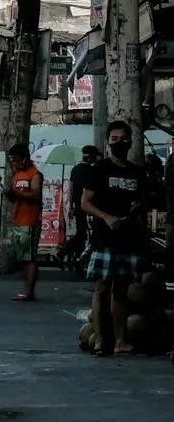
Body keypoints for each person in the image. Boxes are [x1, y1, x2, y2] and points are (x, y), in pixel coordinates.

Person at [81, 121, 156, 355]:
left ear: (131, 141)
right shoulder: (99, 169)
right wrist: (107, 217)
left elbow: (142, 207)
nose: (119, 143)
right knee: (101, 289)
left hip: (129, 240)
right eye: (114, 139)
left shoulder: (137, 172)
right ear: (108, 142)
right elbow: (85, 202)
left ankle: (120, 341)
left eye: (123, 139)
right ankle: (102, 340)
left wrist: (142, 236)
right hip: (105, 240)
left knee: (121, 291)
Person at [4, 144, 44, 301]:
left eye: (17, 160)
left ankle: (29, 291)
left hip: (31, 220)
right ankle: (26, 289)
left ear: (25, 158)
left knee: (30, 257)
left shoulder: (35, 174)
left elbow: (35, 195)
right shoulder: (17, 174)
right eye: (12, 160)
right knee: (22, 257)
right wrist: (10, 194)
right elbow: (15, 198)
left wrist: (17, 193)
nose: (15, 163)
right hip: (18, 219)